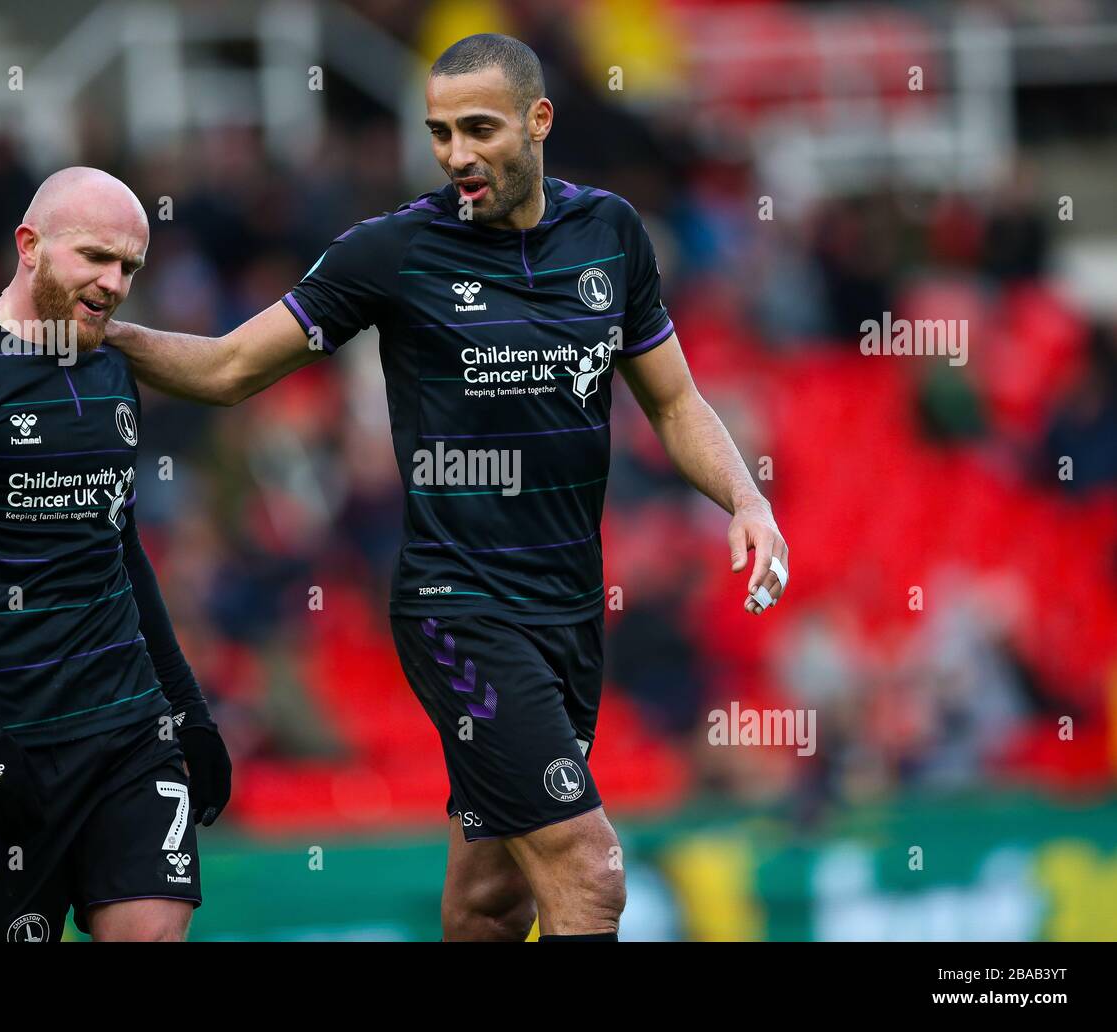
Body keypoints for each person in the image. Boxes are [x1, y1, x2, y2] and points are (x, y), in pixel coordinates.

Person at [107, 34, 789, 941]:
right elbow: (230, 366)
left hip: (570, 616)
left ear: (539, 121)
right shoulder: (393, 253)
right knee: (591, 874)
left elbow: (673, 400)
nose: (457, 154)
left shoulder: (610, 234)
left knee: (489, 899)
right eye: (439, 133)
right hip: (459, 607)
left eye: (479, 128)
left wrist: (747, 501)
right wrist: (95, 336)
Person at [0, 167, 232, 942]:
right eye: (96, 257)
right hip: (7, 739)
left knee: (155, 931)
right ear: (29, 246)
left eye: (130, 266)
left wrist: (188, 708)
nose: (115, 282)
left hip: (130, 730)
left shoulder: (113, 371)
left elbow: (123, 552)